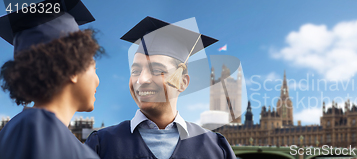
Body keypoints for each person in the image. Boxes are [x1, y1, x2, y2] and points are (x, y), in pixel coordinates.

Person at [85, 16, 236, 159]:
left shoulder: (215, 147)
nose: (142, 80)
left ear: (182, 82)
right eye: (135, 71)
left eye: (157, 70)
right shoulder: (101, 144)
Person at [0, 0, 103, 158]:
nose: (97, 80)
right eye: (94, 68)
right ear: (72, 68)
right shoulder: (37, 128)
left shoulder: (26, 127)